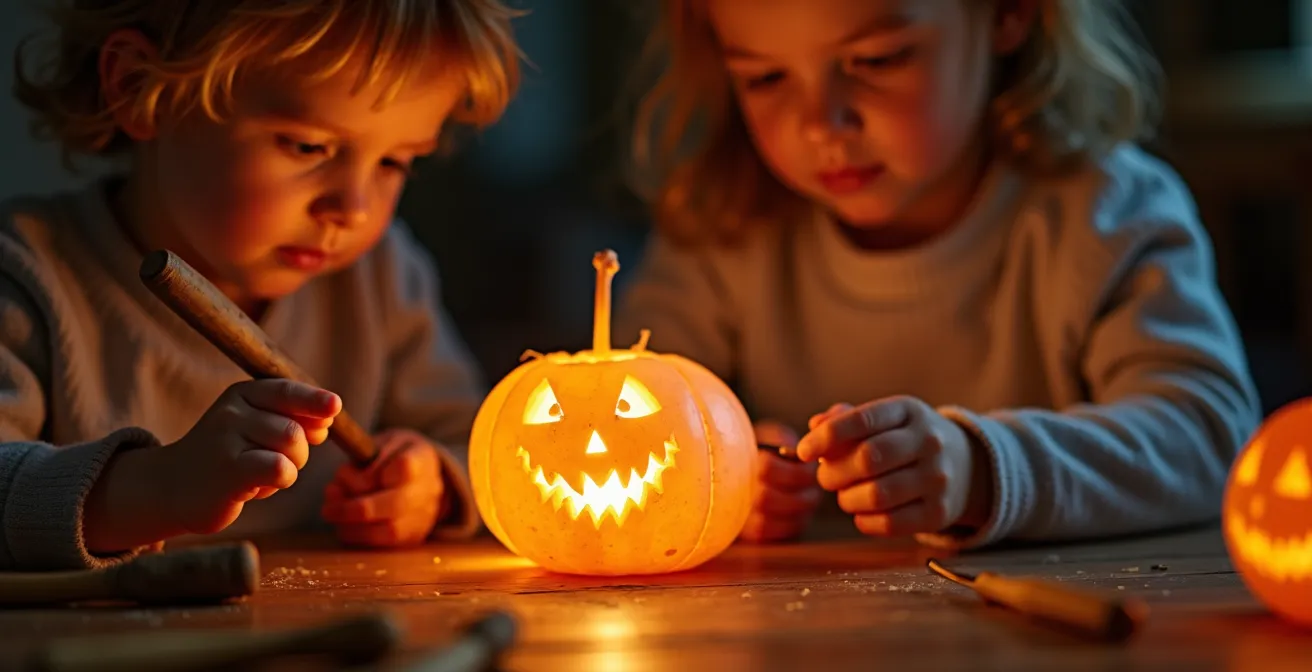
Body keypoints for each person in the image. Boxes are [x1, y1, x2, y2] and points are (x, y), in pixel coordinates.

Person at [617, 0, 1261, 550]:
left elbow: (1206, 439)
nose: (819, 123)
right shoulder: (722, 224)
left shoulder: (1105, 215)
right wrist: (719, 473)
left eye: (876, 60)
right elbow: (621, 424)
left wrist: (982, 469)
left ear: (1009, 12)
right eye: (764, 77)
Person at [0, 0, 520, 570]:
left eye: (394, 162)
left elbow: (486, 452)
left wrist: (432, 486)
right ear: (139, 88)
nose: (353, 206)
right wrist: (157, 489)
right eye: (308, 147)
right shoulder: (27, 272)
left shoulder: (381, 277)